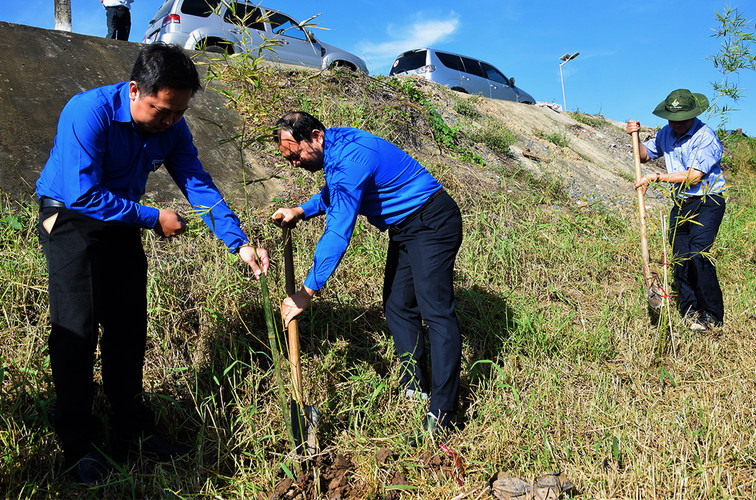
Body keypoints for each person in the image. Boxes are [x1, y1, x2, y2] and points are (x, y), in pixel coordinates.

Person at [36, 42, 269, 484]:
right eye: (162, 110)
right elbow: (82, 194)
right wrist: (152, 216)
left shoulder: (173, 128)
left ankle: (132, 432)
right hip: (68, 217)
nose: (170, 122)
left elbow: (197, 183)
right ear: (134, 89)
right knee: (76, 331)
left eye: (179, 112)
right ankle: (79, 445)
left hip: (121, 220)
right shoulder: (89, 112)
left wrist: (238, 244)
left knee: (128, 328)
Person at [270, 112, 463, 445]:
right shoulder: (336, 143)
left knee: (436, 314)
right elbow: (338, 192)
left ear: (316, 136)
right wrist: (300, 210)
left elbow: (338, 231)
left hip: (432, 221)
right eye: (288, 159)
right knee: (398, 306)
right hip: (406, 228)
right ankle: (413, 387)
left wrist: (306, 291)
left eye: (296, 155)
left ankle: (443, 412)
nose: (295, 164)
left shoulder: (350, 157)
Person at [626, 88, 726, 331]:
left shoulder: (706, 137)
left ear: (693, 116)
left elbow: (693, 176)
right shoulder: (666, 134)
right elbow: (644, 156)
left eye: (682, 120)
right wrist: (635, 137)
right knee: (680, 257)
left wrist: (657, 178)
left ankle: (712, 314)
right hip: (681, 204)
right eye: (673, 120)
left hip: (707, 200)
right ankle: (689, 309)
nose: (677, 125)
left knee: (698, 254)